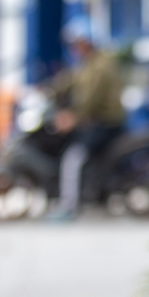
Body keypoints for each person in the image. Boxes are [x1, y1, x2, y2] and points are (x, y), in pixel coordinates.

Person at [49, 16, 125, 217]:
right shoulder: (87, 64)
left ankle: (68, 206)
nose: (74, 48)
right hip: (93, 121)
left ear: (87, 42)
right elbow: (67, 82)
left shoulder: (101, 66)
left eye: (77, 43)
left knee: (73, 157)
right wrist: (45, 90)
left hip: (106, 123)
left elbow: (90, 99)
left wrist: (73, 117)